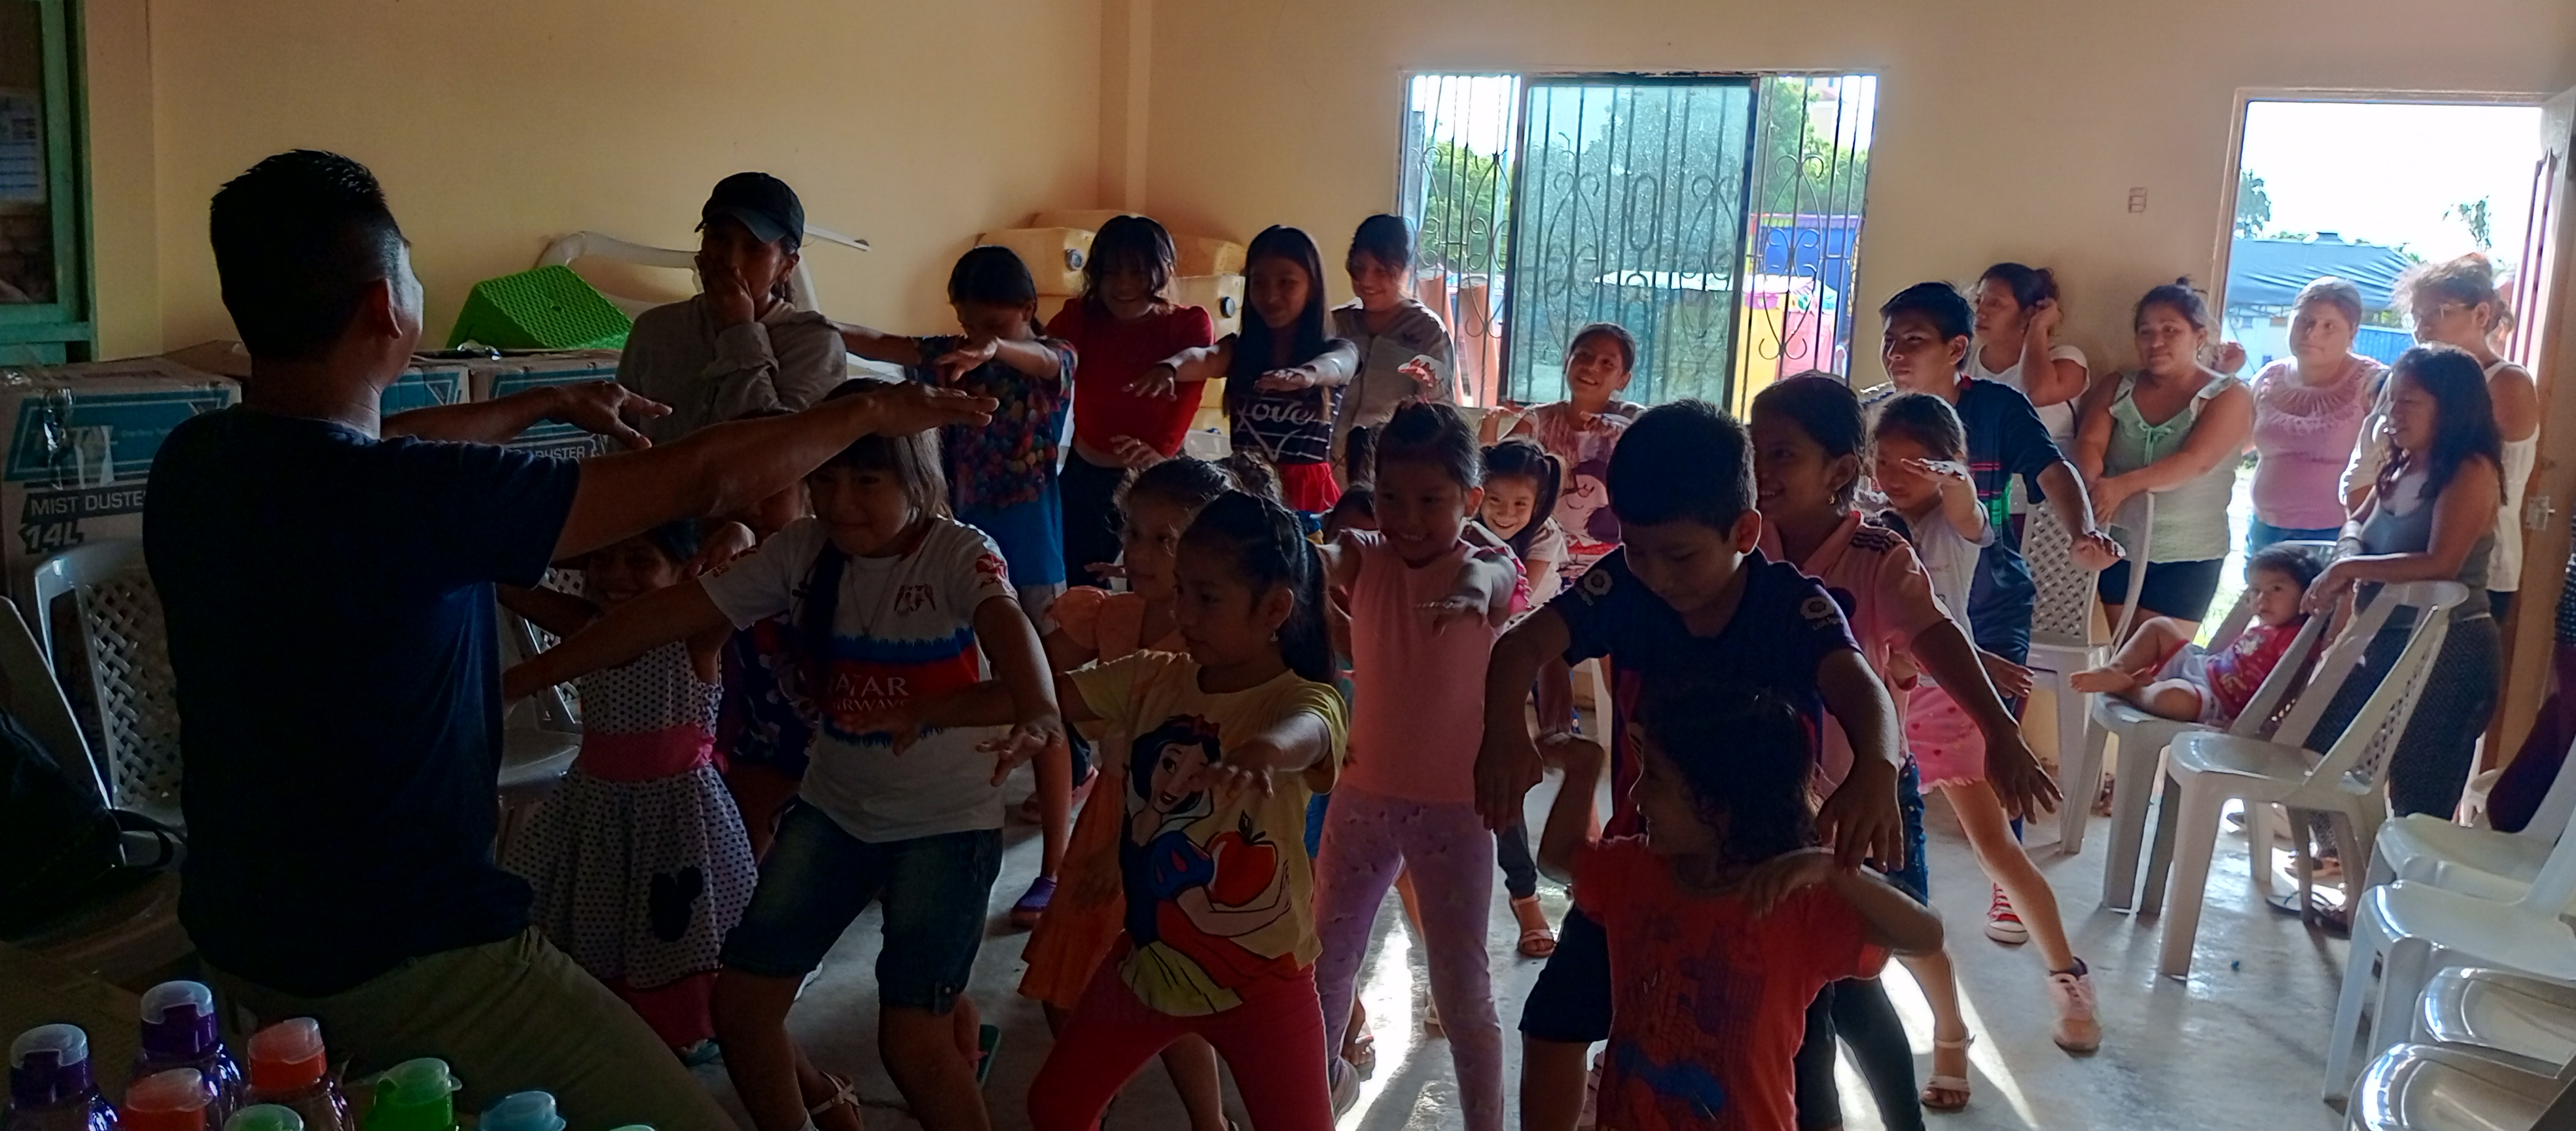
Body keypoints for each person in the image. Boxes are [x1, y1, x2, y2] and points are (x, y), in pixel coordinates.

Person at [146, 149, 992, 1131]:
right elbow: (701, 479)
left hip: (235, 933)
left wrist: (544, 402)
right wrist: (874, 409)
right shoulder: (413, 499)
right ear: (387, 305)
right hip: (415, 951)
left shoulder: (197, 462)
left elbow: (383, 447)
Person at [501, 389, 1060, 1131]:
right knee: (740, 1009)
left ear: (919, 479)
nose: (840, 502)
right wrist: (519, 681)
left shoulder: (959, 550)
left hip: (945, 828)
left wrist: (1038, 706)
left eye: (867, 481)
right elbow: (659, 617)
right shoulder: (801, 551)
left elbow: (1006, 620)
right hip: (834, 815)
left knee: (913, 1043)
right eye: (825, 479)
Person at [1474, 399, 1907, 1131]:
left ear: (1744, 533)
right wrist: (1501, 736)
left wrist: (1878, 769)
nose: (1655, 574)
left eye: (1679, 556)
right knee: (1554, 1021)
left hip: (1768, 876)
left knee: (1802, 1062)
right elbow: (1520, 646)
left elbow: (1862, 687)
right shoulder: (1623, 589)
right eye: (1637, 550)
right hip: (1648, 860)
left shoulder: (1788, 605)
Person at [894, 492, 1349, 1131]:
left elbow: (1311, 729)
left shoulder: (1303, 698)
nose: (1182, 613)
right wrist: (926, 710)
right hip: (1146, 967)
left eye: (1207, 598)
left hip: (1264, 984)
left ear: (1275, 608)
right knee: (1055, 1107)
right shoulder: (1151, 678)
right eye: (1182, 591)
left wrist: (1265, 752)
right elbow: (1040, 693)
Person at [1754, 377, 2086, 1128]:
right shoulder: (1748, 541)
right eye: (1755, 452)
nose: (1762, 470)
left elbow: (1935, 634)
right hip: (1771, 796)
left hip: (1862, 792)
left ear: (1840, 471)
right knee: (1813, 989)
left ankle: (1931, 1065)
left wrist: (2002, 731)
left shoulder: (1878, 553)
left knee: (1864, 966)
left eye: (1782, 454)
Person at [1533, 683, 1944, 1131]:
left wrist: (1833, 870)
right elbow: (1558, 858)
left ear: (1719, 802)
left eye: (1655, 778)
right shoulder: (1636, 869)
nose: (1635, 796)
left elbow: (1925, 935)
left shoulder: (1790, 902)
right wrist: (1582, 772)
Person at [834, 245, 1081, 924]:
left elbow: (1040, 360)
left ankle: (1054, 866)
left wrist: (996, 347)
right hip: (964, 545)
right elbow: (880, 342)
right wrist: (813, 326)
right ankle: (916, 842)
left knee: (1042, 701)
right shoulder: (949, 355)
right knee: (960, 691)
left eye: (993, 323)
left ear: (1027, 309)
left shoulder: (1054, 358)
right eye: (969, 323)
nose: (976, 337)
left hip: (1031, 552)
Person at [1874, 280, 2120, 944]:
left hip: (1992, 598)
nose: (1897, 355)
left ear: (1957, 349)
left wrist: (2083, 532)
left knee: (1991, 738)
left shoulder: (1996, 407)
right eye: (1890, 342)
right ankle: (1900, 878)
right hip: (1908, 606)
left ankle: (2007, 885)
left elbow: (2052, 471)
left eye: (1913, 341)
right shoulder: (1878, 415)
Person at [1307, 403, 1522, 1126]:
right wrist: (1294, 557)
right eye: (1392, 497)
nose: (1408, 518)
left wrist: (1469, 595)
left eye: (1431, 501)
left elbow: (1491, 581)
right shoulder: (1367, 553)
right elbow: (1328, 560)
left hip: (1454, 813)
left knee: (1462, 992)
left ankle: (1485, 1121)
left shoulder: (1487, 562)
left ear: (1471, 498)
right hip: (1361, 800)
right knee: (1327, 966)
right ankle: (1311, 1098)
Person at [1018, 456, 1239, 1131]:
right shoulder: (1110, 616)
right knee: (1063, 978)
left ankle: (1210, 1122)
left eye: (1164, 540)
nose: (1138, 553)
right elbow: (1034, 671)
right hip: (1110, 817)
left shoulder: (1221, 640)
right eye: (1133, 532)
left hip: (1177, 826)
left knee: (1169, 983)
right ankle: (1089, 1106)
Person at [497, 520, 753, 1061]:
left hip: (677, 821)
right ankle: (609, 1025)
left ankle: (677, 1031)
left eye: (639, 561)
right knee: (598, 924)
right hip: (593, 814)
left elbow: (747, 564)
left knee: (674, 934)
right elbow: (504, 583)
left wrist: (737, 532)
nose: (614, 576)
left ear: (684, 570)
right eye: (602, 560)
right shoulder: (587, 625)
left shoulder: (696, 635)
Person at [2303, 344, 2505, 823]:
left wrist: (2351, 569)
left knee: (2420, 790)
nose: (2393, 413)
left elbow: (2441, 563)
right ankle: (2341, 859)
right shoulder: (2399, 467)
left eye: (2409, 402)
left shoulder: (2470, 470)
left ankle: (2395, 871)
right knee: (2319, 744)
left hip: (2450, 647)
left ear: (2451, 408)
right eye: (2390, 400)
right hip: (2386, 641)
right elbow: (2355, 521)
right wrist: (2347, 555)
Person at [2348, 255, 2537, 622]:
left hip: (2472, 564)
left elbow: (2453, 458)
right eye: (2416, 317)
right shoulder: (2411, 374)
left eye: (2438, 313)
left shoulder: (2506, 383)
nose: (2424, 327)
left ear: (2481, 314)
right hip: (2390, 548)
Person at [1134, 226, 1361, 512]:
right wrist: (1171, 366)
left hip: (1309, 499)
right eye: (1259, 282)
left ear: (1313, 288)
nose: (1271, 296)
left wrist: (1308, 375)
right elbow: (1206, 357)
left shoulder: (1336, 349)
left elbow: (1339, 367)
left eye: (1287, 283)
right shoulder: (1239, 350)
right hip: (1247, 490)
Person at [2074, 279, 2255, 634]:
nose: (2156, 342)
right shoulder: (2117, 385)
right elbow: (2089, 442)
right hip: (2113, 545)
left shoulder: (2230, 395)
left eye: (2170, 330)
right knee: (2109, 653)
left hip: (2189, 554)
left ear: (2199, 336)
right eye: (2146, 332)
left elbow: (2197, 461)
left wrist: (2121, 487)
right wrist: (2095, 486)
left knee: (2158, 660)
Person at [1049, 215, 1219, 590]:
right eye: (1111, 273)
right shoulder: (1080, 317)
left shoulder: (1187, 324)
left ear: (1165, 271)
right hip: (1085, 472)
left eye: (1138, 273)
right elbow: (1043, 358)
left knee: (1158, 582)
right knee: (1080, 580)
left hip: (1156, 474)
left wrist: (1159, 453)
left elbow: (1188, 396)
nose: (1124, 285)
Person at [616, 172, 848, 443]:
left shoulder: (815, 345)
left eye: (754, 248)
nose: (731, 261)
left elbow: (776, 452)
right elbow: (622, 441)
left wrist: (739, 331)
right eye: (719, 238)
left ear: (786, 266)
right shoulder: (655, 329)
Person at [1475, 437, 1569, 958]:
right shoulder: (1464, 529)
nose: (1506, 513)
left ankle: (1541, 886)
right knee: (1492, 780)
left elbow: (1513, 600)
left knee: (1553, 751)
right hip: (1477, 658)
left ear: (1539, 504)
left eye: (1520, 504)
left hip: (1532, 648)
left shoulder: (1545, 537)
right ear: (1476, 494)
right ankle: (1523, 895)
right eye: (1495, 501)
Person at [2074, 544, 2321, 725]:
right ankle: (2114, 670)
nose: (2261, 598)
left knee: (2173, 699)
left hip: (2216, 702)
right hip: (2203, 665)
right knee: (2159, 626)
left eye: (2276, 588)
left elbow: (2288, 688)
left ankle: (2131, 689)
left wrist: (2250, 723)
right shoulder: (2267, 627)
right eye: (2256, 590)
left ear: (2308, 593)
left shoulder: (2299, 639)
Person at [2247, 278, 2385, 549]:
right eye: (2304, 321)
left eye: (2329, 326)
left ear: (2352, 332)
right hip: (2265, 529)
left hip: (2339, 531)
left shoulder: (2374, 383)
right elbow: (2235, 445)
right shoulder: (2268, 378)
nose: (2311, 334)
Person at [1511, 323, 1645, 586]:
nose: (1592, 367)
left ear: (1624, 379)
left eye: (1607, 363)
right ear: (1566, 362)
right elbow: (1496, 469)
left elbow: (1660, 460)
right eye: (1583, 355)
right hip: (1542, 558)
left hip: (1616, 562)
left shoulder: (1635, 420)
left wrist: (1622, 433)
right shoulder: (1538, 421)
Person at [1331, 214, 1456, 473]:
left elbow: (1441, 412)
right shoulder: (1336, 323)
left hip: (1390, 472)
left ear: (1406, 270)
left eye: (1382, 271)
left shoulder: (1427, 331)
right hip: (1328, 470)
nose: (1367, 281)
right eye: (1358, 268)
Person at [1969, 263, 2090, 455]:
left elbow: (2037, 392)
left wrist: (2039, 326)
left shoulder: (2067, 359)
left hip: (2047, 472)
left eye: (1995, 304)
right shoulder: (1963, 362)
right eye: (1978, 301)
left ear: (2028, 313)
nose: (1980, 312)